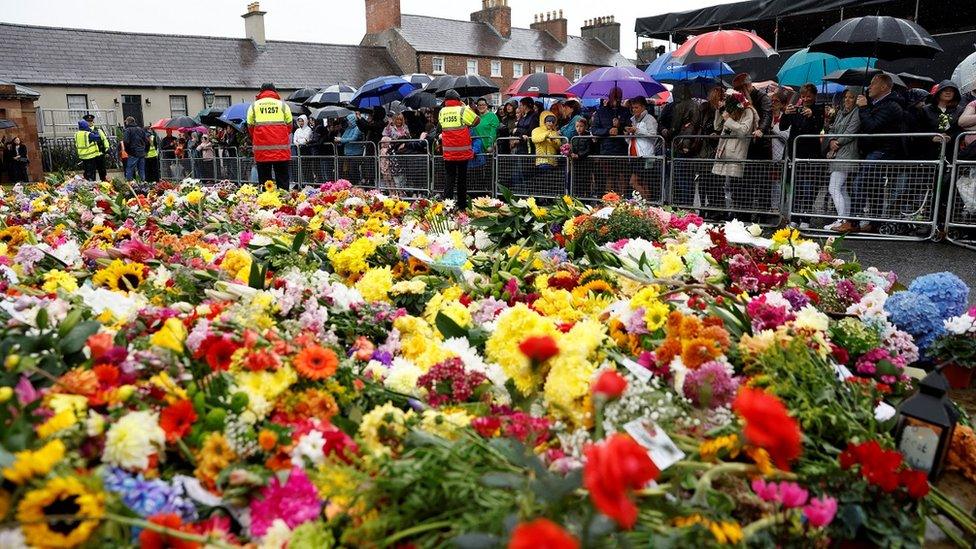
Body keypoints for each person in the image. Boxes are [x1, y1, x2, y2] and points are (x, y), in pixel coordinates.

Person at [851, 73, 905, 232]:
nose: (869, 87)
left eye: (873, 84)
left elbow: (872, 127)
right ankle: (874, 223)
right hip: (873, 150)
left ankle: (853, 221)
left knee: (860, 182)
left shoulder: (890, 105)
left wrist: (863, 108)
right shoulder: (878, 103)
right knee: (873, 187)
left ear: (884, 87)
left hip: (883, 150)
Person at [781, 83, 826, 227]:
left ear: (814, 96)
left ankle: (805, 217)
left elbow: (819, 127)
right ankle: (794, 216)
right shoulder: (796, 109)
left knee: (809, 187)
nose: (805, 99)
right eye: (803, 96)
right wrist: (786, 114)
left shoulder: (819, 109)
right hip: (795, 153)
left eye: (808, 96)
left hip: (810, 154)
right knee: (796, 186)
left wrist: (812, 116)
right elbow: (783, 126)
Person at [823, 88, 861, 232]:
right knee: (842, 189)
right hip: (839, 154)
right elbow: (833, 129)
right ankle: (844, 219)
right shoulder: (840, 113)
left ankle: (841, 220)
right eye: (846, 97)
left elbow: (851, 132)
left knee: (833, 187)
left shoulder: (856, 112)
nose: (847, 99)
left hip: (847, 154)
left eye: (851, 97)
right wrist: (831, 139)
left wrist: (836, 143)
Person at [713, 92, 758, 212]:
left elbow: (743, 131)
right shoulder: (730, 110)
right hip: (724, 152)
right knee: (727, 186)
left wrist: (728, 120)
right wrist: (720, 111)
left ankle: (740, 213)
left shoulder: (748, 111)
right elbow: (717, 126)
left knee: (738, 186)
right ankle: (730, 211)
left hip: (737, 152)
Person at [438, 89, 480, 209]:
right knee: (462, 179)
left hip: (448, 151)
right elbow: (477, 121)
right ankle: (462, 205)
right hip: (463, 151)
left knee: (449, 179)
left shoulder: (442, 111)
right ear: (458, 99)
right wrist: (466, 108)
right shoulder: (463, 109)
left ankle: (448, 206)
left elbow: (441, 126)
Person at [246, 83, 293, 189]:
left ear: (261, 91)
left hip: (262, 150)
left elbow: (250, 127)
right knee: (283, 180)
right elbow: (290, 126)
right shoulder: (283, 105)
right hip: (281, 150)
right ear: (275, 91)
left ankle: (267, 203)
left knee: (265, 181)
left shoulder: (254, 106)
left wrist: (258, 138)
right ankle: (284, 203)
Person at [625, 96, 659, 199]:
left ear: (643, 107)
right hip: (634, 155)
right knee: (642, 183)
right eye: (633, 108)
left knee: (635, 182)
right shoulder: (632, 120)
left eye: (636, 107)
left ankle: (647, 202)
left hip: (645, 156)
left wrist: (637, 131)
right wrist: (627, 134)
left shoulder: (650, 119)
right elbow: (630, 140)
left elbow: (653, 136)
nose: (634, 110)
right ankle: (647, 203)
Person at [591, 86, 630, 157]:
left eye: (619, 97)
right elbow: (594, 130)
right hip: (605, 149)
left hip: (622, 149)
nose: (617, 99)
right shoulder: (600, 111)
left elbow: (629, 127)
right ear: (609, 97)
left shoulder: (625, 111)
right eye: (615, 97)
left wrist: (620, 126)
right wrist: (608, 131)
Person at [337, 113, 364, 184]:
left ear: (352, 120)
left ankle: (356, 184)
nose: (347, 122)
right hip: (348, 153)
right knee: (348, 171)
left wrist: (341, 140)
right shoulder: (348, 128)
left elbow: (353, 138)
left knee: (353, 170)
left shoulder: (358, 128)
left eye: (349, 120)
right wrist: (340, 139)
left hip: (356, 153)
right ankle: (351, 184)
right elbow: (344, 137)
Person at [83, 114, 110, 181]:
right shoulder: (84, 132)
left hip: (100, 154)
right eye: (88, 121)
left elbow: (104, 140)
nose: (90, 122)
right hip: (90, 156)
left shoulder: (98, 130)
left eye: (91, 121)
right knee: (91, 173)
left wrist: (106, 150)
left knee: (102, 171)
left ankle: (104, 184)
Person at [122, 116, 148, 181]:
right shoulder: (141, 129)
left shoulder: (128, 130)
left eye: (126, 122)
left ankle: (130, 184)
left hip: (133, 153)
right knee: (141, 170)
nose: (126, 123)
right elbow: (147, 141)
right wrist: (145, 151)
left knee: (130, 169)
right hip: (141, 153)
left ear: (128, 122)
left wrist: (128, 151)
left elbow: (126, 142)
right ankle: (143, 184)